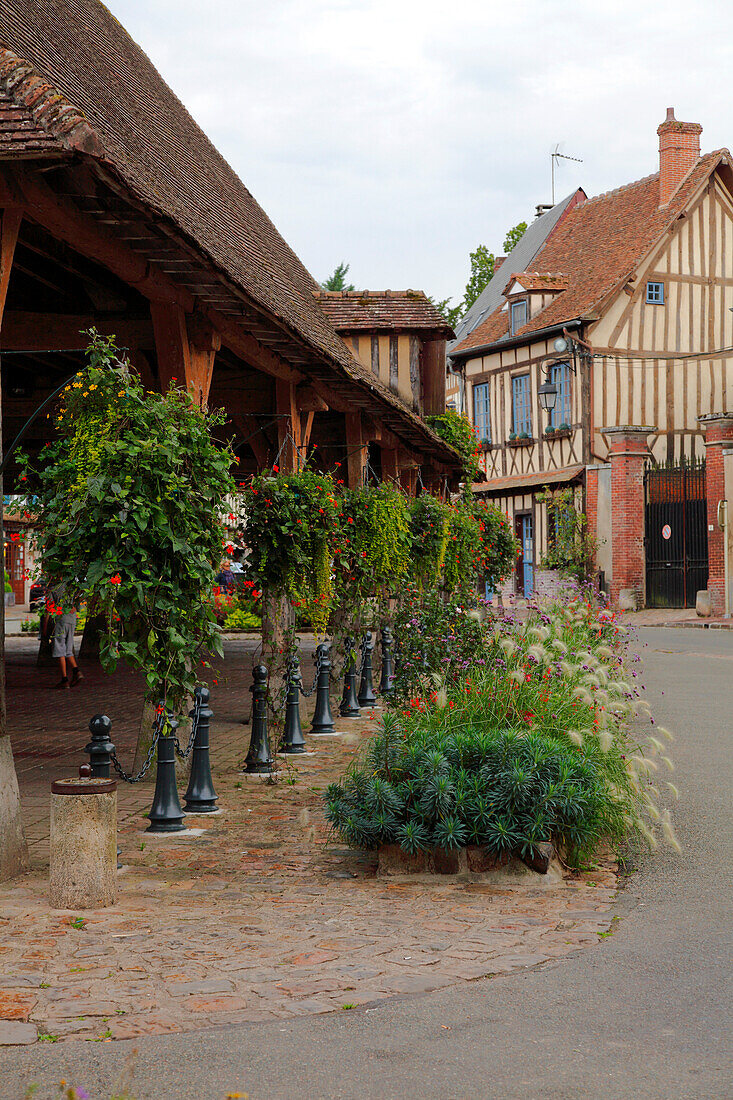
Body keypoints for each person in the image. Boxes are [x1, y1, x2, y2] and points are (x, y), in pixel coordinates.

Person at [45, 584, 83, 690]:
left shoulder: (53, 588)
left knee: (59, 648)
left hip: (60, 620)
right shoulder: (73, 588)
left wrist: (45, 627)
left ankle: (64, 679)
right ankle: (76, 671)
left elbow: (50, 609)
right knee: (68, 648)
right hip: (71, 620)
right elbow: (77, 607)